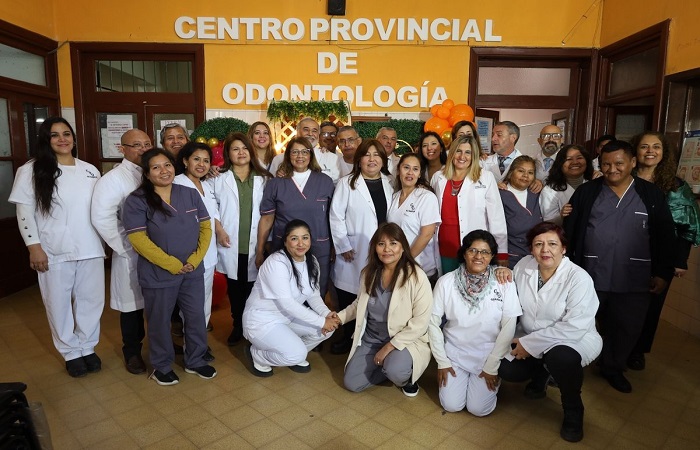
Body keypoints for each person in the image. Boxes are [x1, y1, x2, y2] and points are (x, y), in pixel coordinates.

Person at [564, 140, 675, 393]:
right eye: (606, 164)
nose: (612, 169)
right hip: (591, 273)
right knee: (579, 321)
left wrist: (662, 272)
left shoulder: (650, 194)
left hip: (634, 276)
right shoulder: (587, 192)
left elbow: (665, 235)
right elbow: (570, 231)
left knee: (627, 326)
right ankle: (568, 365)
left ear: (632, 162)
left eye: (618, 163)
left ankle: (613, 367)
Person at [8, 117, 105, 378]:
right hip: (54, 248)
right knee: (58, 302)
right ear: (46, 140)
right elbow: (24, 213)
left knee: (91, 301)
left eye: (66, 133)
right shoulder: (31, 170)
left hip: (91, 246)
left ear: (74, 137)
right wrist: (34, 247)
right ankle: (70, 352)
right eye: (55, 135)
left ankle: (87, 346)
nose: (62, 139)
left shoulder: (90, 170)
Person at [499, 222, 602, 443]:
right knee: (506, 369)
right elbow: (509, 296)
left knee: (560, 357)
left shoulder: (579, 278)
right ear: (531, 249)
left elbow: (574, 327)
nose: (545, 250)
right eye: (538, 244)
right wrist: (501, 271)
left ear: (563, 248)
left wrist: (530, 345)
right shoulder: (524, 266)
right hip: (528, 334)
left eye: (552, 244)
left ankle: (573, 409)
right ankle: (542, 373)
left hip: (574, 340)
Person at [123, 148, 216, 386]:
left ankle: (195, 360)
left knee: (196, 316)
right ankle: (161, 366)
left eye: (167, 165)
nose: (163, 171)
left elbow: (206, 227)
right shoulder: (137, 200)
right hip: (159, 273)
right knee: (160, 321)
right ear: (146, 173)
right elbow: (138, 240)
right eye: (156, 167)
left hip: (192, 270)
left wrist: (195, 259)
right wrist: (172, 264)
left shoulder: (189, 193)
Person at [429, 230, 521, 416]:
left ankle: (491, 381)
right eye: (473, 250)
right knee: (451, 405)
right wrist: (442, 361)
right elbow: (432, 323)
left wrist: (492, 366)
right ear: (464, 253)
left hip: (488, 354)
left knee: (479, 409)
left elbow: (509, 326)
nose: (479, 256)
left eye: (485, 252)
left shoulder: (504, 281)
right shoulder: (446, 282)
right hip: (455, 352)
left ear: (492, 256)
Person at [628, 131, 700, 369]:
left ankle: (637, 351)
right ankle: (614, 347)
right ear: (635, 151)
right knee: (621, 304)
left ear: (664, 152)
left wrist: (680, 260)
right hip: (625, 252)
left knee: (651, 305)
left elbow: (687, 225)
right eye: (644, 146)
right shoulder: (623, 179)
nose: (650, 151)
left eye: (656, 147)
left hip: (660, 256)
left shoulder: (676, 186)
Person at [337, 223, 433, 396]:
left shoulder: (417, 276)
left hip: (403, 340)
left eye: (393, 243)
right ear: (375, 248)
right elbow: (359, 305)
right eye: (381, 244)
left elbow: (420, 323)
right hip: (372, 339)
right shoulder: (369, 273)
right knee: (352, 382)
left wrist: (389, 347)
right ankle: (387, 368)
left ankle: (404, 376)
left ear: (403, 247)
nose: (387, 249)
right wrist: (338, 318)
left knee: (396, 371)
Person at [242, 219, 338, 377]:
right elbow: (287, 304)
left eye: (305, 238)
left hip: (288, 318)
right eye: (294, 238)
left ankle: (292, 352)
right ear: (285, 241)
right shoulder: (277, 262)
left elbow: (313, 295)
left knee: (327, 331)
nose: (301, 243)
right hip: (262, 321)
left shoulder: (312, 261)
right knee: (297, 353)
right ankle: (258, 355)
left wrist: (326, 314)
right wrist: (322, 321)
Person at [91, 128, 151, 375]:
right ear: (122, 149)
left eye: (147, 144)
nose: (143, 149)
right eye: (136, 145)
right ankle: (132, 352)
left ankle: (162, 344)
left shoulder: (155, 171)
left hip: (160, 251)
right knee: (132, 307)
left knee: (161, 303)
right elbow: (102, 218)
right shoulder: (113, 179)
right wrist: (129, 245)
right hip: (131, 253)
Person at [330, 139, 393, 354]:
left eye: (377, 155)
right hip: (354, 250)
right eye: (367, 155)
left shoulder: (389, 182)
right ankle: (347, 337)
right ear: (359, 160)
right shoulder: (346, 183)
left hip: (383, 250)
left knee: (376, 295)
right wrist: (343, 245)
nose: (372, 159)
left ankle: (370, 338)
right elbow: (336, 216)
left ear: (383, 160)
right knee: (350, 294)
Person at [212, 132, 270, 345]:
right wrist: (219, 229)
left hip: (258, 243)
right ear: (228, 153)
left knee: (256, 290)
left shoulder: (265, 178)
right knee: (236, 289)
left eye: (245, 148)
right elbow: (211, 208)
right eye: (235, 149)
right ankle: (238, 325)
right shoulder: (218, 178)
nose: (241, 153)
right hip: (231, 244)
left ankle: (253, 327)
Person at [257, 136, 335, 297]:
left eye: (305, 152)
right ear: (288, 156)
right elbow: (267, 219)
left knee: (317, 291)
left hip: (319, 246)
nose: (300, 156)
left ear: (311, 155)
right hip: (284, 247)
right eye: (295, 152)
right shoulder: (275, 184)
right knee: (285, 291)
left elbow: (334, 218)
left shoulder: (325, 182)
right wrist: (259, 250)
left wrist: (336, 246)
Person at [432, 135, 508, 273]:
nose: (462, 156)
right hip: (444, 246)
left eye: (468, 152)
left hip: (475, 249)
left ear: (474, 156)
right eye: (458, 151)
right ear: (452, 153)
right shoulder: (438, 177)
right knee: (447, 284)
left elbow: (496, 217)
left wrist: (502, 251)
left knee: (473, 283)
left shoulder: (486, 177)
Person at [174, 142, 219, 361]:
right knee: (191, 306)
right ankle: (192, 347)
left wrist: (221, 230)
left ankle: (198, 343)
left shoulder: (206, 185)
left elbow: (213, 214)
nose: (201, 164)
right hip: (190, 254)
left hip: (208, 254)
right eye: (196, 159)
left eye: (206, 160)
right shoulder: (177, 184)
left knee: (204, 303)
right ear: (185, 161)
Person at [387, 153, 441, 283]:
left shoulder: (426, 197)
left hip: (420, 269)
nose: (410, 172)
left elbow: (427, 234)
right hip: (397, 266)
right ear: (398, 170)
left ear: (420, 174)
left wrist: (406, 259)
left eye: (415, 169)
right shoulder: (394, 197)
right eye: (406, 167)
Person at [499, 156, 543, 268]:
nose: (525, 176)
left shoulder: (536, 193)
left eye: (530, 172)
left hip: (536, 257)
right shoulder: (500, 194)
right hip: (510, 258)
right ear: (511, 173)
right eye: (521, 171)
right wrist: (501, 254)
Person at [270, 118, 340, 183]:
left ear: (318, 134)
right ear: (297, 132)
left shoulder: (332, 158)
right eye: (306, 130)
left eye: (314, 131)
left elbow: (336, 186)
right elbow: (273, 186)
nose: (310, 134)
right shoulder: (279, 159)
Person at [539, 145, 595, 225]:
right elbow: (548, 224)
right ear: (560, 164)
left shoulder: (594, 184)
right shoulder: (550, 191)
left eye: (579, 158)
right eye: (568, 159)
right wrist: (561, 216)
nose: (575, 162)